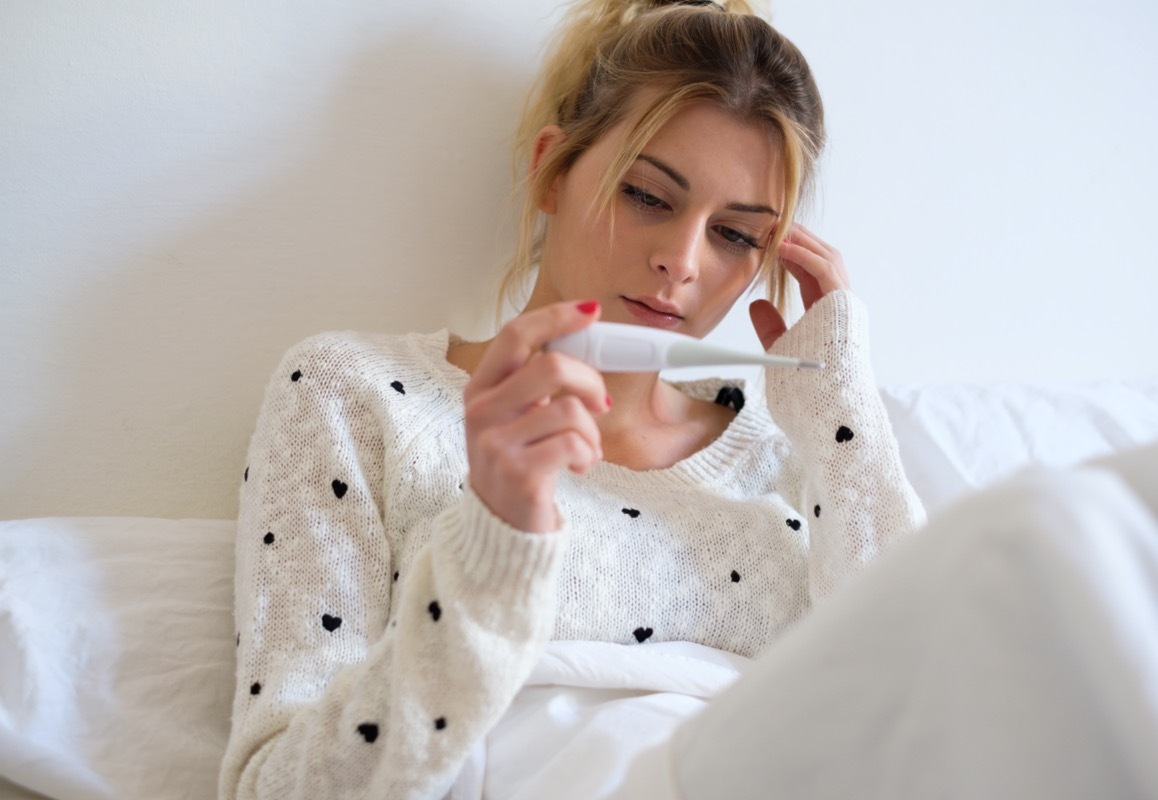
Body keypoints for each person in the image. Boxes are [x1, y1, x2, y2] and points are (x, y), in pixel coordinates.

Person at [219, 0, 928, 796]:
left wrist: (846, 424)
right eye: (648, 196)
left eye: (735, 235)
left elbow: (928, 723)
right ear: (552, 170)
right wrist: (494, 545)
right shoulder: (356, 396)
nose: (683, 261)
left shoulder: (801, 463)